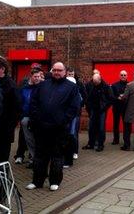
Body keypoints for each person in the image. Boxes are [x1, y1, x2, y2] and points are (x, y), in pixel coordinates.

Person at [26, 62, 80, 191]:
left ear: (65, 72)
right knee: (40, 155)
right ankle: (37, 181)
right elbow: (33, 102)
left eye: (59, 70)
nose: (56, 72)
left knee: (57, 155)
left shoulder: (71, 87)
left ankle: (54, 181)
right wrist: (37, 118)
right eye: (54, 70)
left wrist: (63, 120)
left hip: (59, 128)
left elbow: (74, 107)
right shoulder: (43, 85)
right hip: (41, 127)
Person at [0, 55, 21, 164]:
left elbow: (16, 109)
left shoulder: (10, 85)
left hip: (3, 131)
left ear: (2, 69)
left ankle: (1, 180)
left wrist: (8, 128)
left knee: (0, 160)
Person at [17, 68, 42, 168]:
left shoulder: (43, 87)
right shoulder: (24, 88)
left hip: (39, 119)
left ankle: (38, 160)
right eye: (35, 76)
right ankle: (34, 159)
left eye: (39, 76)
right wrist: (21, 116)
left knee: (38, 140)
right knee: (29, 140)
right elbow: (21, 102)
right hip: (26, 118)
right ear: (31, 76)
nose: (37, 78)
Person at [83, 74, 114, 152]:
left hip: (101, 110)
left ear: (100, 80)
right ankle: (91, 144)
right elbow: (86, 96)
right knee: (91, 127)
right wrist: (88, 106)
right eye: (94, 82)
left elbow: (111, 99)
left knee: (101, 128)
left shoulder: (106, 86)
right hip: (93, 109)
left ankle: (100, 145)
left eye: (96, 82)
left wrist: (105, 108)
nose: (95, 84)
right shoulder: (90, 85)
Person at [67, 68, 86, 159]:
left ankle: (75, 151)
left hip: (76, 113)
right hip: (65, 113)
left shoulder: (79, 84)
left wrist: (79, 105)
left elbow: (84, 96)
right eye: (69, 74)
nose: (70, 75)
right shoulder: (64, 83)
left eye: (72, 74)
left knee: (74, 133)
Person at [110, 70, 128, 145]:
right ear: (119, 76)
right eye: (121, 75)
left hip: (126, 108)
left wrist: (124, 97)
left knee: (126, 124)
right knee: (116, 124)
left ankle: (126, 140)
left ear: (127, 76)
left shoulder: (129, 85)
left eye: (124, 75)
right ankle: (116, 140)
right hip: (116, 107)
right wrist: (118, 97)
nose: (123, 76)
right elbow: (111, 96)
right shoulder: (114, 85)